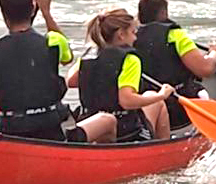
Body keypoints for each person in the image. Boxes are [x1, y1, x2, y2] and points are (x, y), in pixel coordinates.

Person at [0, 0, 106, 142]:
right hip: (51, 126)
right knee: (106, 120)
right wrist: (46, 12)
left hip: (12, 129)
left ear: (2, 13)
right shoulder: (53, 42)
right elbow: (67, 58)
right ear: (33, 10)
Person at [68, 9, 172, 143]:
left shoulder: (89, 56)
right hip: (123, 129)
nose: (135, 38)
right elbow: (127, 101)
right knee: (157, 101)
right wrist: (162, 95)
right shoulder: (130, 60)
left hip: (89, 121)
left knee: (150, 95)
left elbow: (71, 81)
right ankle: (162, 149)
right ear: (121, 34)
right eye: (133, 32)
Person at [134, 0, 216, 129]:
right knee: (201, 93)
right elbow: (206, 69)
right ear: (163, 13)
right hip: (181, 107)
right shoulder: (175, 34)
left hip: (144, 105)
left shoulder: (130, 37)